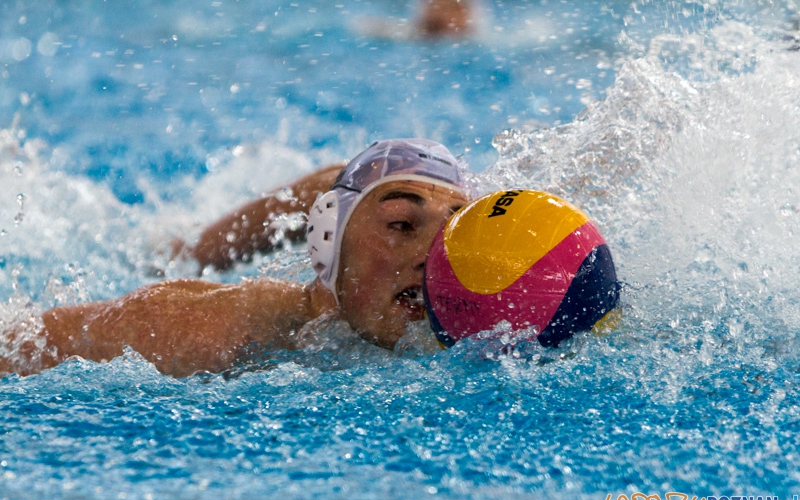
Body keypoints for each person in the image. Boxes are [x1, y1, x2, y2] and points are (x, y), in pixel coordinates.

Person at [0, 139, 469, 378]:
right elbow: (16, 346)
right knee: (184, 257)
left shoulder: (488, 324)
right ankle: (181, 250)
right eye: (401, 226)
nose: (433, 258)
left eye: (451, 233)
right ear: (327, 241)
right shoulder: (212, 328)